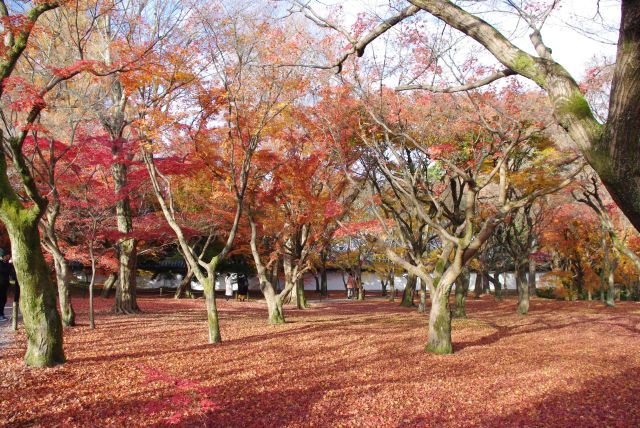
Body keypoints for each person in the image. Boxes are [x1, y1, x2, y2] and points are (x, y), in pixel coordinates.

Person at [0, 249, 17, 322]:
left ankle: (1, 314)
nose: (9, 256)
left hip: (4, 285)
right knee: (0, 300)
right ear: (3, 256)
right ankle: (0, 315)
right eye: (7, 255)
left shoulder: (8, 264)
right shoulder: (2, 264)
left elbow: (12, 274)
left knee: (3, 300)